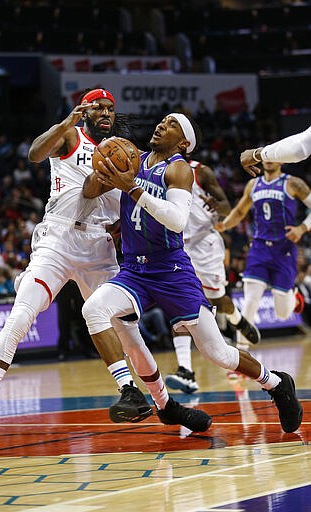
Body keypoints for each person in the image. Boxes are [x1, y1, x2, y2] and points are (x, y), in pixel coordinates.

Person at [82, 112, 303, 435]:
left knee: (218, 353)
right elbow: (91, 192)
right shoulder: (131, 158)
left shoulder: (179, 168)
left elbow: (176, 220)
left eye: (172, 124)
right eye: (163, 121)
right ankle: (140, 395)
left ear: (184, 143)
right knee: (94, 309)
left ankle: (276, 383)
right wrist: (99, 173)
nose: (161, 125)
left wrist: (132, 190)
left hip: (171, 270)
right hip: (134, 270)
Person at [0, 88, 141, 446]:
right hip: (59, 240)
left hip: (100, 246)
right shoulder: (70, 134)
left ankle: (145, 396)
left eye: (110, 108)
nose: (106, 112)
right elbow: (35, 153)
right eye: (98, 107)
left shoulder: (123, 152)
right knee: (19, 317)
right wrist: (67, 119)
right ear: (86, 109)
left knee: (128, 332)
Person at [165, 159, 260, 394]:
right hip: (177, 246)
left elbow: (227, 208)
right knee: (179, 305)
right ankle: (185, 370)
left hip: (204, 243)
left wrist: (215, 204)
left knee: (218, 300)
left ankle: (238, 320)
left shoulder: (201, 171)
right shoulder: (156, 170)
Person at [217, 160, 311, 349]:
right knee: (250, 300)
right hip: (259, 248)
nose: (268, 158)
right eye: (265, 154)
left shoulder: (293, 183)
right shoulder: (254, 184)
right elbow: (240, 211)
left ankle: (294, 298)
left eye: (273, 154)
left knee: (283, 313)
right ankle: (241, 354)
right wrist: (224, 225)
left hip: (284, 250)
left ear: (282, 159)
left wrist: (302, 228)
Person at [240, 125, 311, 176]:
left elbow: (298, 149)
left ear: (282, 162)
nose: (269, 162)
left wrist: (256, 155)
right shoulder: (252, 184)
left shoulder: (293, 183)